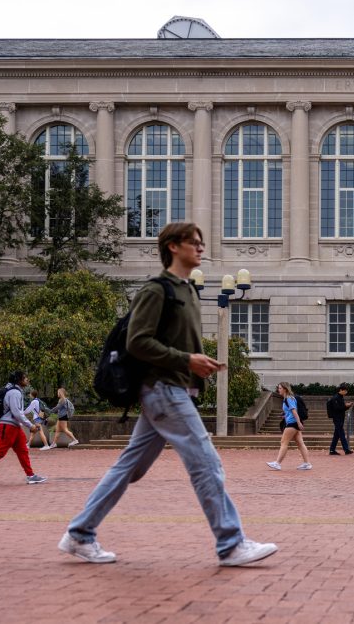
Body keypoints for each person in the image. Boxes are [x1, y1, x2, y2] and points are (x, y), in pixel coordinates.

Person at [60, 222, 277, 566]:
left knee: (129, 467)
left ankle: (79, 534)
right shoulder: (157, 290)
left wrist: (194, 363)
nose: (201, 247)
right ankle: (231, 543)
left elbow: (175, 346)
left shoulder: (189, 290)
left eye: (201, 242)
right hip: (162, 390)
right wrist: (187, 359)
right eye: (194, 242)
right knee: (207, 463)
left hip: (176, 390)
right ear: (173, 247)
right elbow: (138, 341)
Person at [0, 371, 47, 486]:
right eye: (25, 377)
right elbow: (17, 412)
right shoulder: (15, 392)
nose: (27, 379)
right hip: (9, 425)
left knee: (22, 451)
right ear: (19, 380)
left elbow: (17, 412)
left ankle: (30, 476)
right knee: (0, 451)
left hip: (13, 426)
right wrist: (30, 425)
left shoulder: (14, 391)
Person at [266, 382, 312, 471]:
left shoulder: (288, 398)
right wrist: (285, 415)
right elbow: (291, 412)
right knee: (300, 443)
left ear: (285, 389)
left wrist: (299, 423)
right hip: (293, 422)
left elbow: (294, 411)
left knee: (284, 442)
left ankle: (277, 463)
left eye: (280, 388)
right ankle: (307, 463)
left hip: (292, 423)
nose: (278, 390)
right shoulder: (289, 398)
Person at [327, 382, 353, 456]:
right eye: (345, 391)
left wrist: (346, 406)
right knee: (341, 434)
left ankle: (332, 450)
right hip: (337, 418)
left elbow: (341, 408)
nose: (346, 392)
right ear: (341, 390)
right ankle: (346, 449)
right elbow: (337, 408)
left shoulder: (340, 397)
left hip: (340, 418)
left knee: (337, 435)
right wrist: (346, 406)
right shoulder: (336, 398)